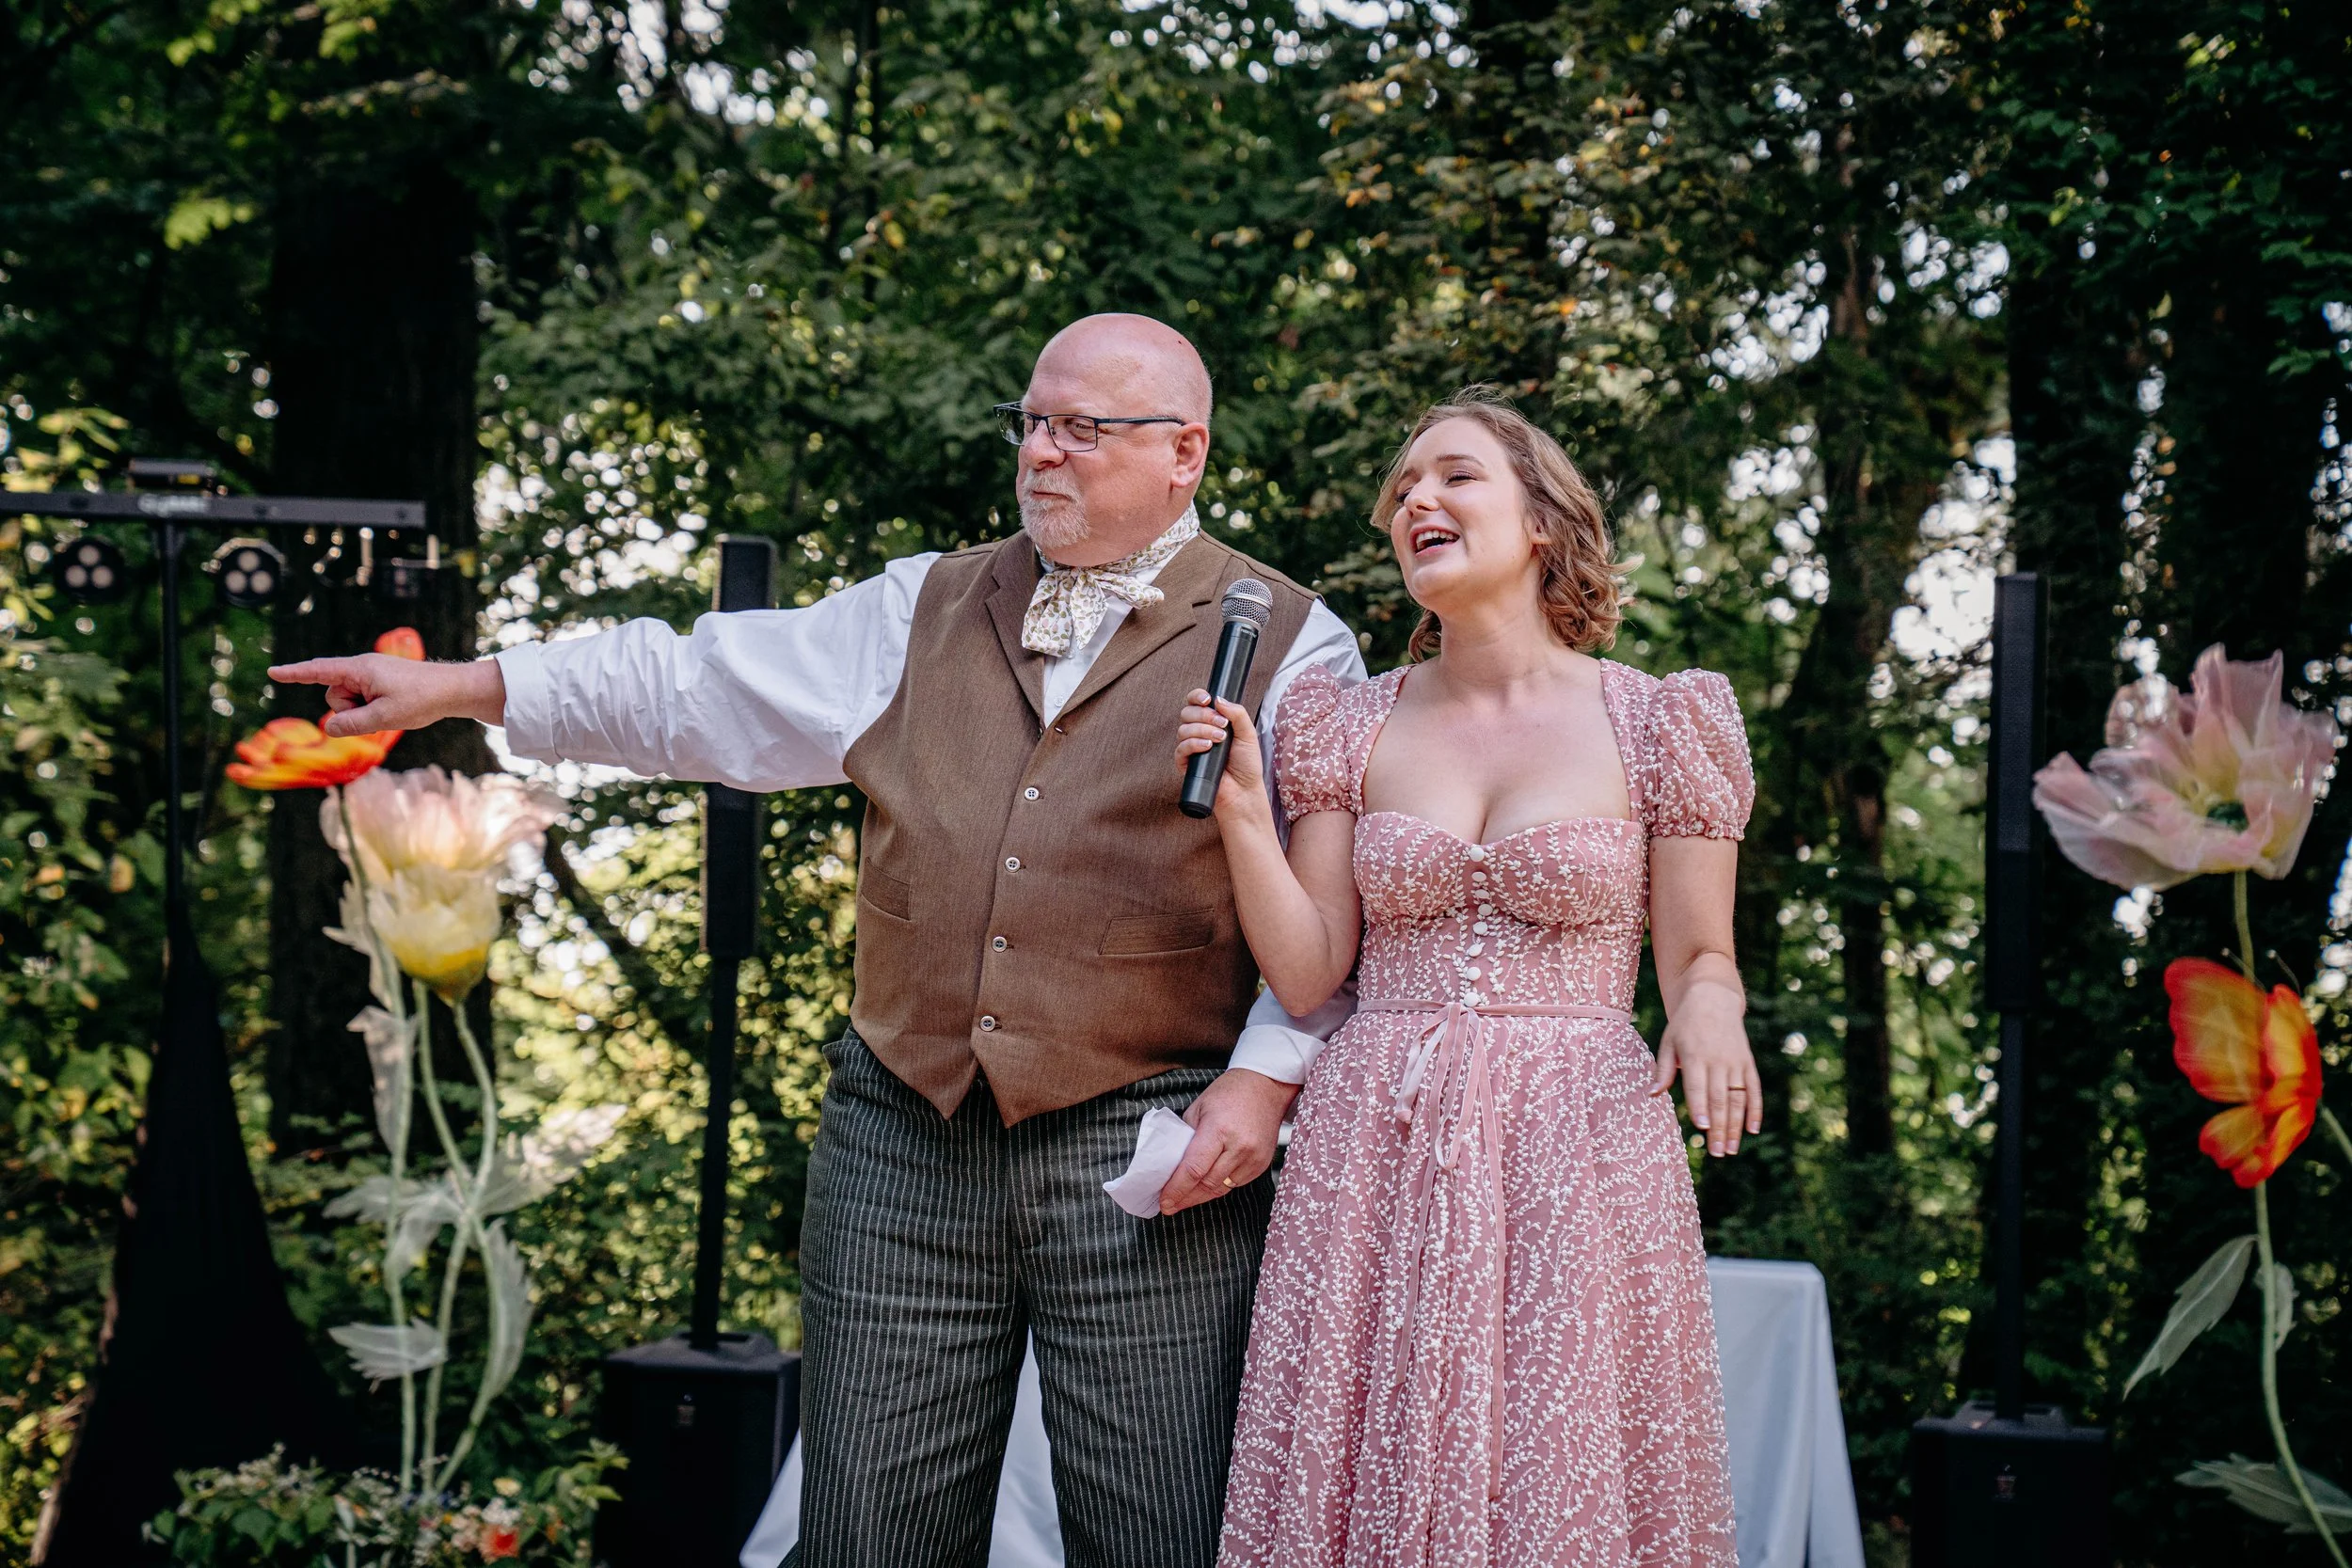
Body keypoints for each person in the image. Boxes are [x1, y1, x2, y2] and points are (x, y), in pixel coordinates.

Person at [270, 313, 1365, 1568]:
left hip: (1152, 1136)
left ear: (1185, 451)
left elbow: (1344, 906)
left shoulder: (1294, 640)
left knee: (1160, 1529)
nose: (1038, 453)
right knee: (867, 1532)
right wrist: (471, 686)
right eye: (1028, 423)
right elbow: (694, 685)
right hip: (901, 1130)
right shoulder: (924, 602)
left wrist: (1267, 1074)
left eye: (1080, 429)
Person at [1175, 388, 1753, 1567]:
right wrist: (1240, 809)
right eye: (1402, 489)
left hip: (1576, 1137)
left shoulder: (1659, 721)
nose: (1415, 500)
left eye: (1453, 476)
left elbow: (1701, 954)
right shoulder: (1346, 723)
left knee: (1557, 1463)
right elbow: (1309, 968)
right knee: (1365, 1457)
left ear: (1542, 520)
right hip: (1373, 1137)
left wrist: (1709, 1008)